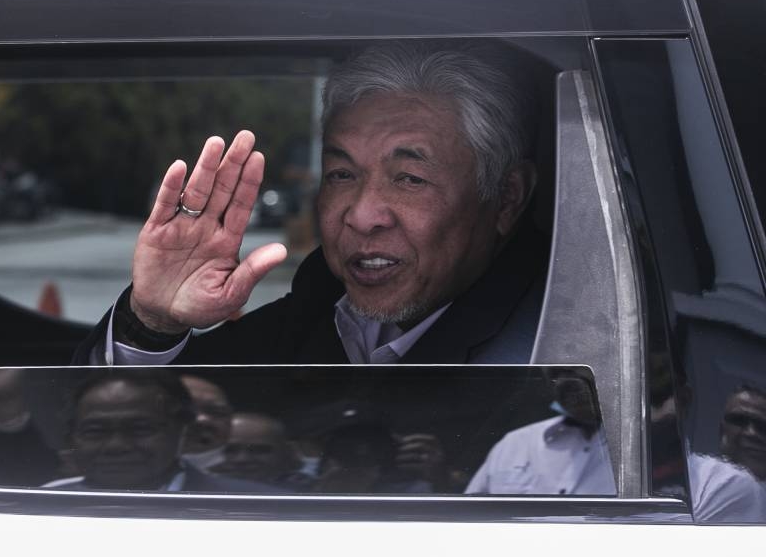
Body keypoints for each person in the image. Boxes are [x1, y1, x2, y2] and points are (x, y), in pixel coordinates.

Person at [73, 41, 548, 366]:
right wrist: (153, 323)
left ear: (506, 198)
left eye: (409, 178)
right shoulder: (304, 322)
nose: (362, 216)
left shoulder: (556, 353)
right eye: (342, 174)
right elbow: (108, 447)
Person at [43, 371, 277, 492]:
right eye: (96, 431)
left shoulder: (262, 505)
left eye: (140, 429)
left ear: (181, 430)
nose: (117, 445)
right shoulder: (38, 507)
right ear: (71, 437)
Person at [464, 368, 616, 495]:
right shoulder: (514, 443)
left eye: (574, 371)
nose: (563, 383)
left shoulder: (636, 446)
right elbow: (466, 515)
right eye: (554, 374)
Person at [209, 412, 305, 487]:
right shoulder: (196, 487)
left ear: (286, 453)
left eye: (259, 450)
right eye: (230, 450)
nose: (242, 459)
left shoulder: (309, 494)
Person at [719, 385, 766, 482]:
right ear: (722, 430)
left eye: (762, 426)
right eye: (739, 420)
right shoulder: (693, 480)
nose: (751, 433)